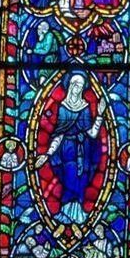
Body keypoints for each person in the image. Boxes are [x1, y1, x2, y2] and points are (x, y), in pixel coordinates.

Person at [34, 74, 106, 225]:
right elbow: (59, 134)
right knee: (70, 177)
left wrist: (100, 115)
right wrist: (48, 154)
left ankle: (78, 214)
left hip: (84, 150)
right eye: (74, 84)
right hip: (67, 150)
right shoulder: (63, 107)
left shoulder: (85, 107)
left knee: (82, 180)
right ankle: (64, 212)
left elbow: (92, 133)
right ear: (69, 85)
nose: (76, 88)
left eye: (80, 85)